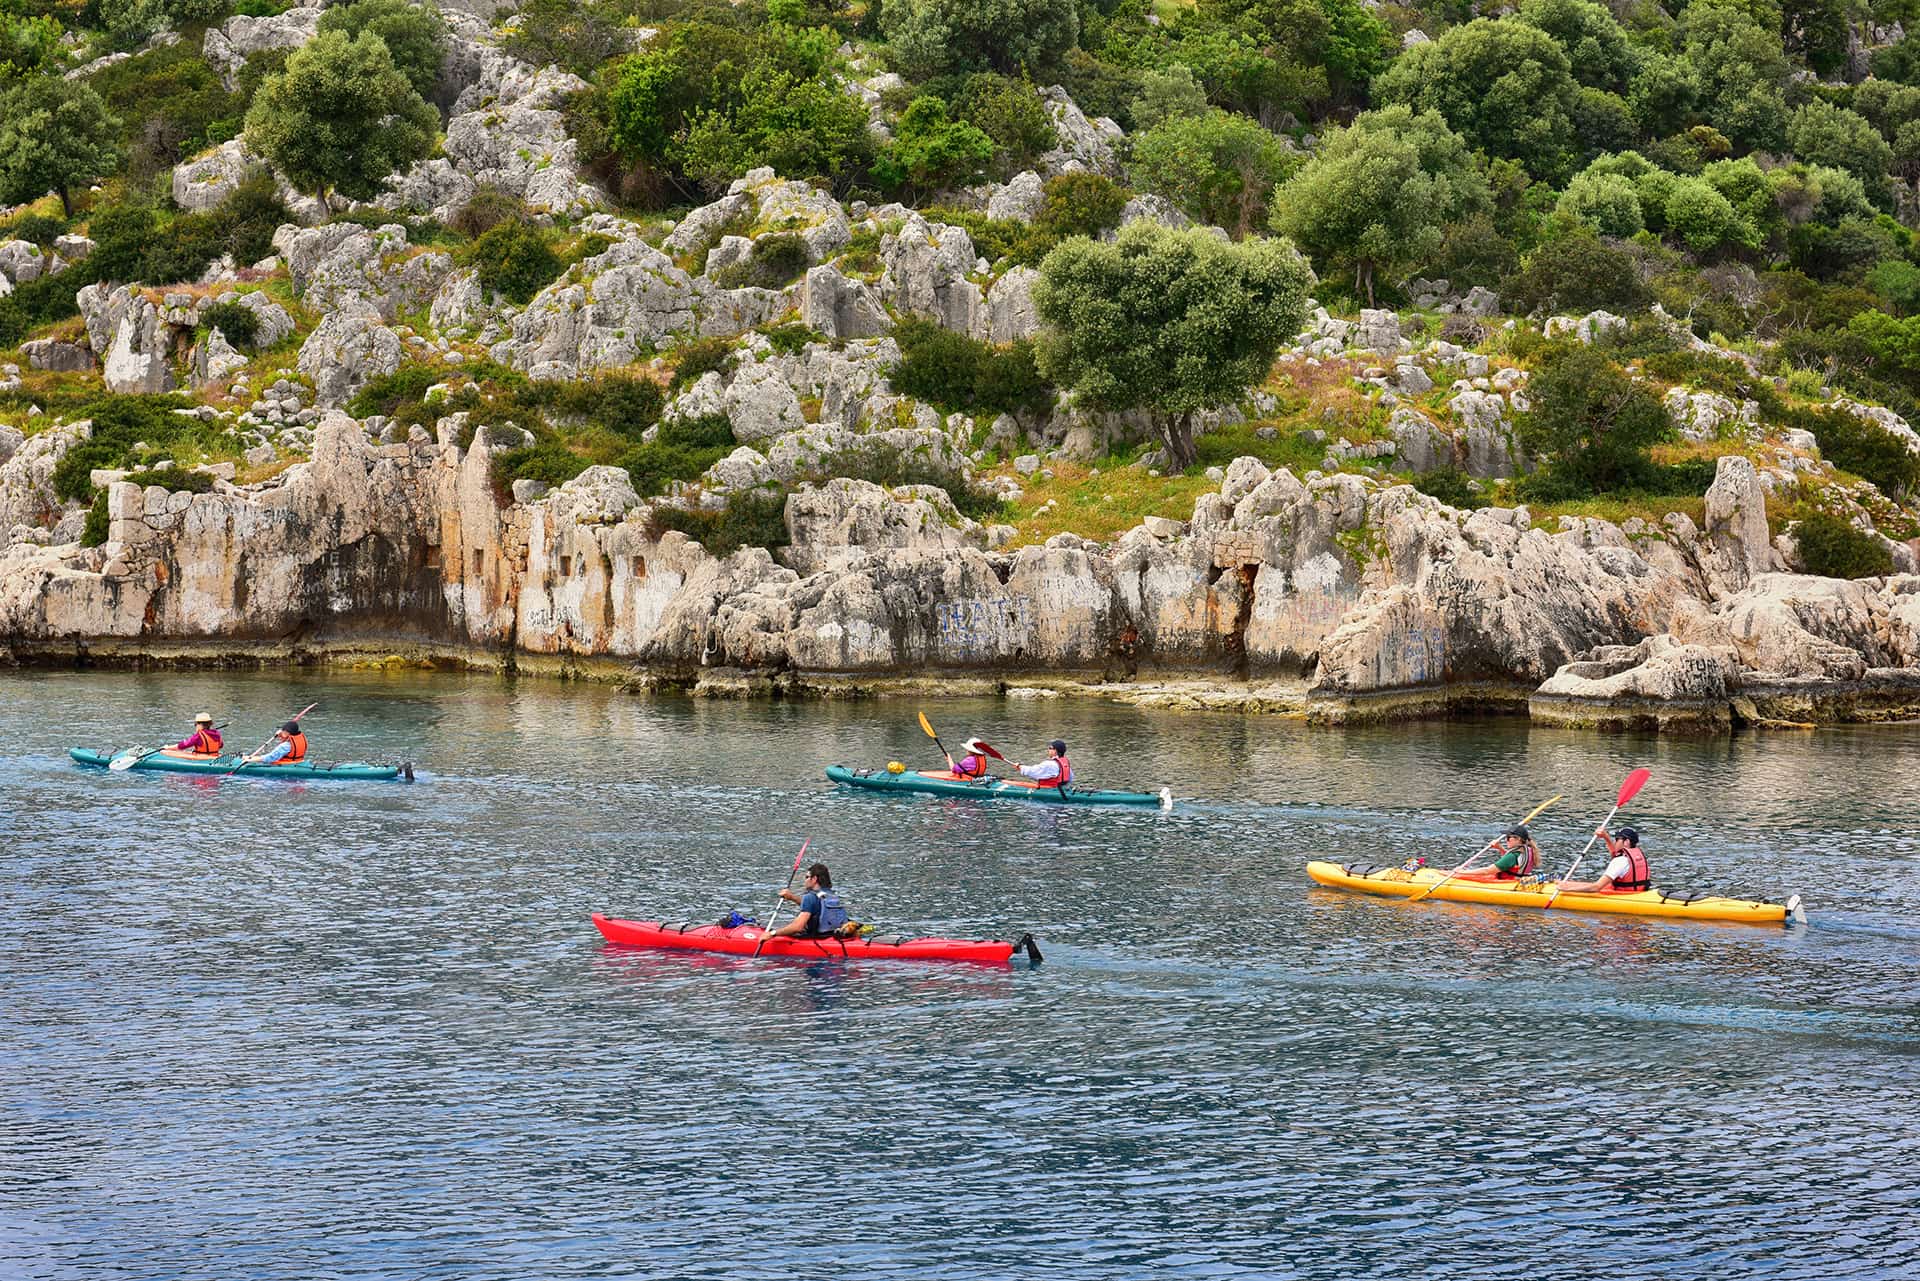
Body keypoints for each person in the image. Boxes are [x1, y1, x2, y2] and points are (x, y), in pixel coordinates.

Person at [764, 863, 850, 940]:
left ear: (814, 879)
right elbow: (816, 908)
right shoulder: (831, 895)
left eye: (807, 877)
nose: (805, 880)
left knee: (778, 928)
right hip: (830, 935)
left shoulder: (809, 897)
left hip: (815, 937)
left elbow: (798, 927)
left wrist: (772, 933)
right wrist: (792, 897)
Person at [1557, 826, 1651, 894]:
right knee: (1570, 883)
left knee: (1593, 885)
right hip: (1638, 892)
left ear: (1626, 842)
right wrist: (1606, 837)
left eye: (1617, 839)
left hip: (1623, 896)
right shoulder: (1637, 855)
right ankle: (1562, 883)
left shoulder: (1620, 861)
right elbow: (1615, 854)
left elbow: (1596, 887)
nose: (1614, 842)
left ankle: (1564, 885)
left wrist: (1567, 890)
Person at [1452, 825, 1542, 883]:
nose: (1506, 840)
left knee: (1469, 875)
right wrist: (1500, 848)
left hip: (1507, 883)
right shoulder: (1529, 850)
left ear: (1518, 839)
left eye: (1508, 838)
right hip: (1518, 881)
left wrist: (1462, 872)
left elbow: (1486, 871)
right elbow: (1512, 864)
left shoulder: (1513, 856)